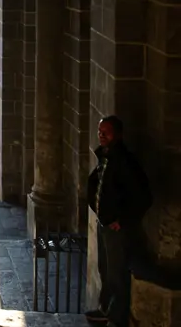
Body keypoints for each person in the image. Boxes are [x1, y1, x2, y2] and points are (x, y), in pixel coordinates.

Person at [85, 116, 152, 327]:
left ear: (118, 134)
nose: (102, 135)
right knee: (105, 269)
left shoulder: (125, 162)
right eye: (99, 131)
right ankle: (106, 310)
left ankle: (117, 317)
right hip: (104, 224)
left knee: (117, 273)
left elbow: (143, 197)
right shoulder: (106, 157)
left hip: (116, 228)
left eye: (107, 132)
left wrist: (121, 220)